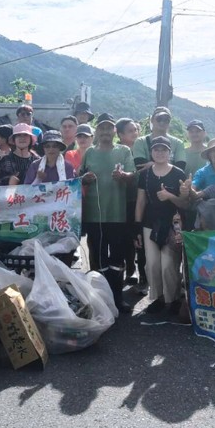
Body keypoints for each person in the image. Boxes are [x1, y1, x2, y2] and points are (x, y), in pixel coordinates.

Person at [79, 114, 136, 313]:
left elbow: (132, 175)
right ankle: (102, 300)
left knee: (117, 260)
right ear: (96, 131)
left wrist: (124, 176)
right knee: (99, 259)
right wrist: (84, 178)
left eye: (108, 128)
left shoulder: (124, 150)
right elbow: (79, 178)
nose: (105, 132)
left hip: (118, 214)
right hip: (94, 216)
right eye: (101, 128)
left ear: (114, 131)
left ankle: (118, 298)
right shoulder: (89, 153)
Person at [135, 136, 188, 314]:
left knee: (168, 265)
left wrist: (170, 196)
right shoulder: (145, 174)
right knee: (151, 264)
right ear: (151, 152)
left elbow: (185, 203)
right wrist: (137, 228)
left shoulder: (179, 173)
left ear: (169, 152)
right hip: (150, 224)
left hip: (173, 225)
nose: (160, 153)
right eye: (156, 149)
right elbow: (141, 201)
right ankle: (157, 297)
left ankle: (171, 298)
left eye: (164, 149)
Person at [116, 117, 144, 287]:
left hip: (143, 199)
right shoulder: (117, 151)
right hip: (125, 199)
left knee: (140, 236)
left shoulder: (145, 149)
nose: (134, 133)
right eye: (130, 131)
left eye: (135, 130)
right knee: (126, 236)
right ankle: (130, 269)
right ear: (120, 135)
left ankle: (143, 274)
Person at [132, 107, 186, 171]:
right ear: (152, 120)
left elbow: (180, 167)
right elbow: (140, 166)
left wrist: (152, 164)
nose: (162, 122)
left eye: (166, 120)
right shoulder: (140, 142)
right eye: (159, 119)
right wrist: (167, 166)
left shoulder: (178, 143)